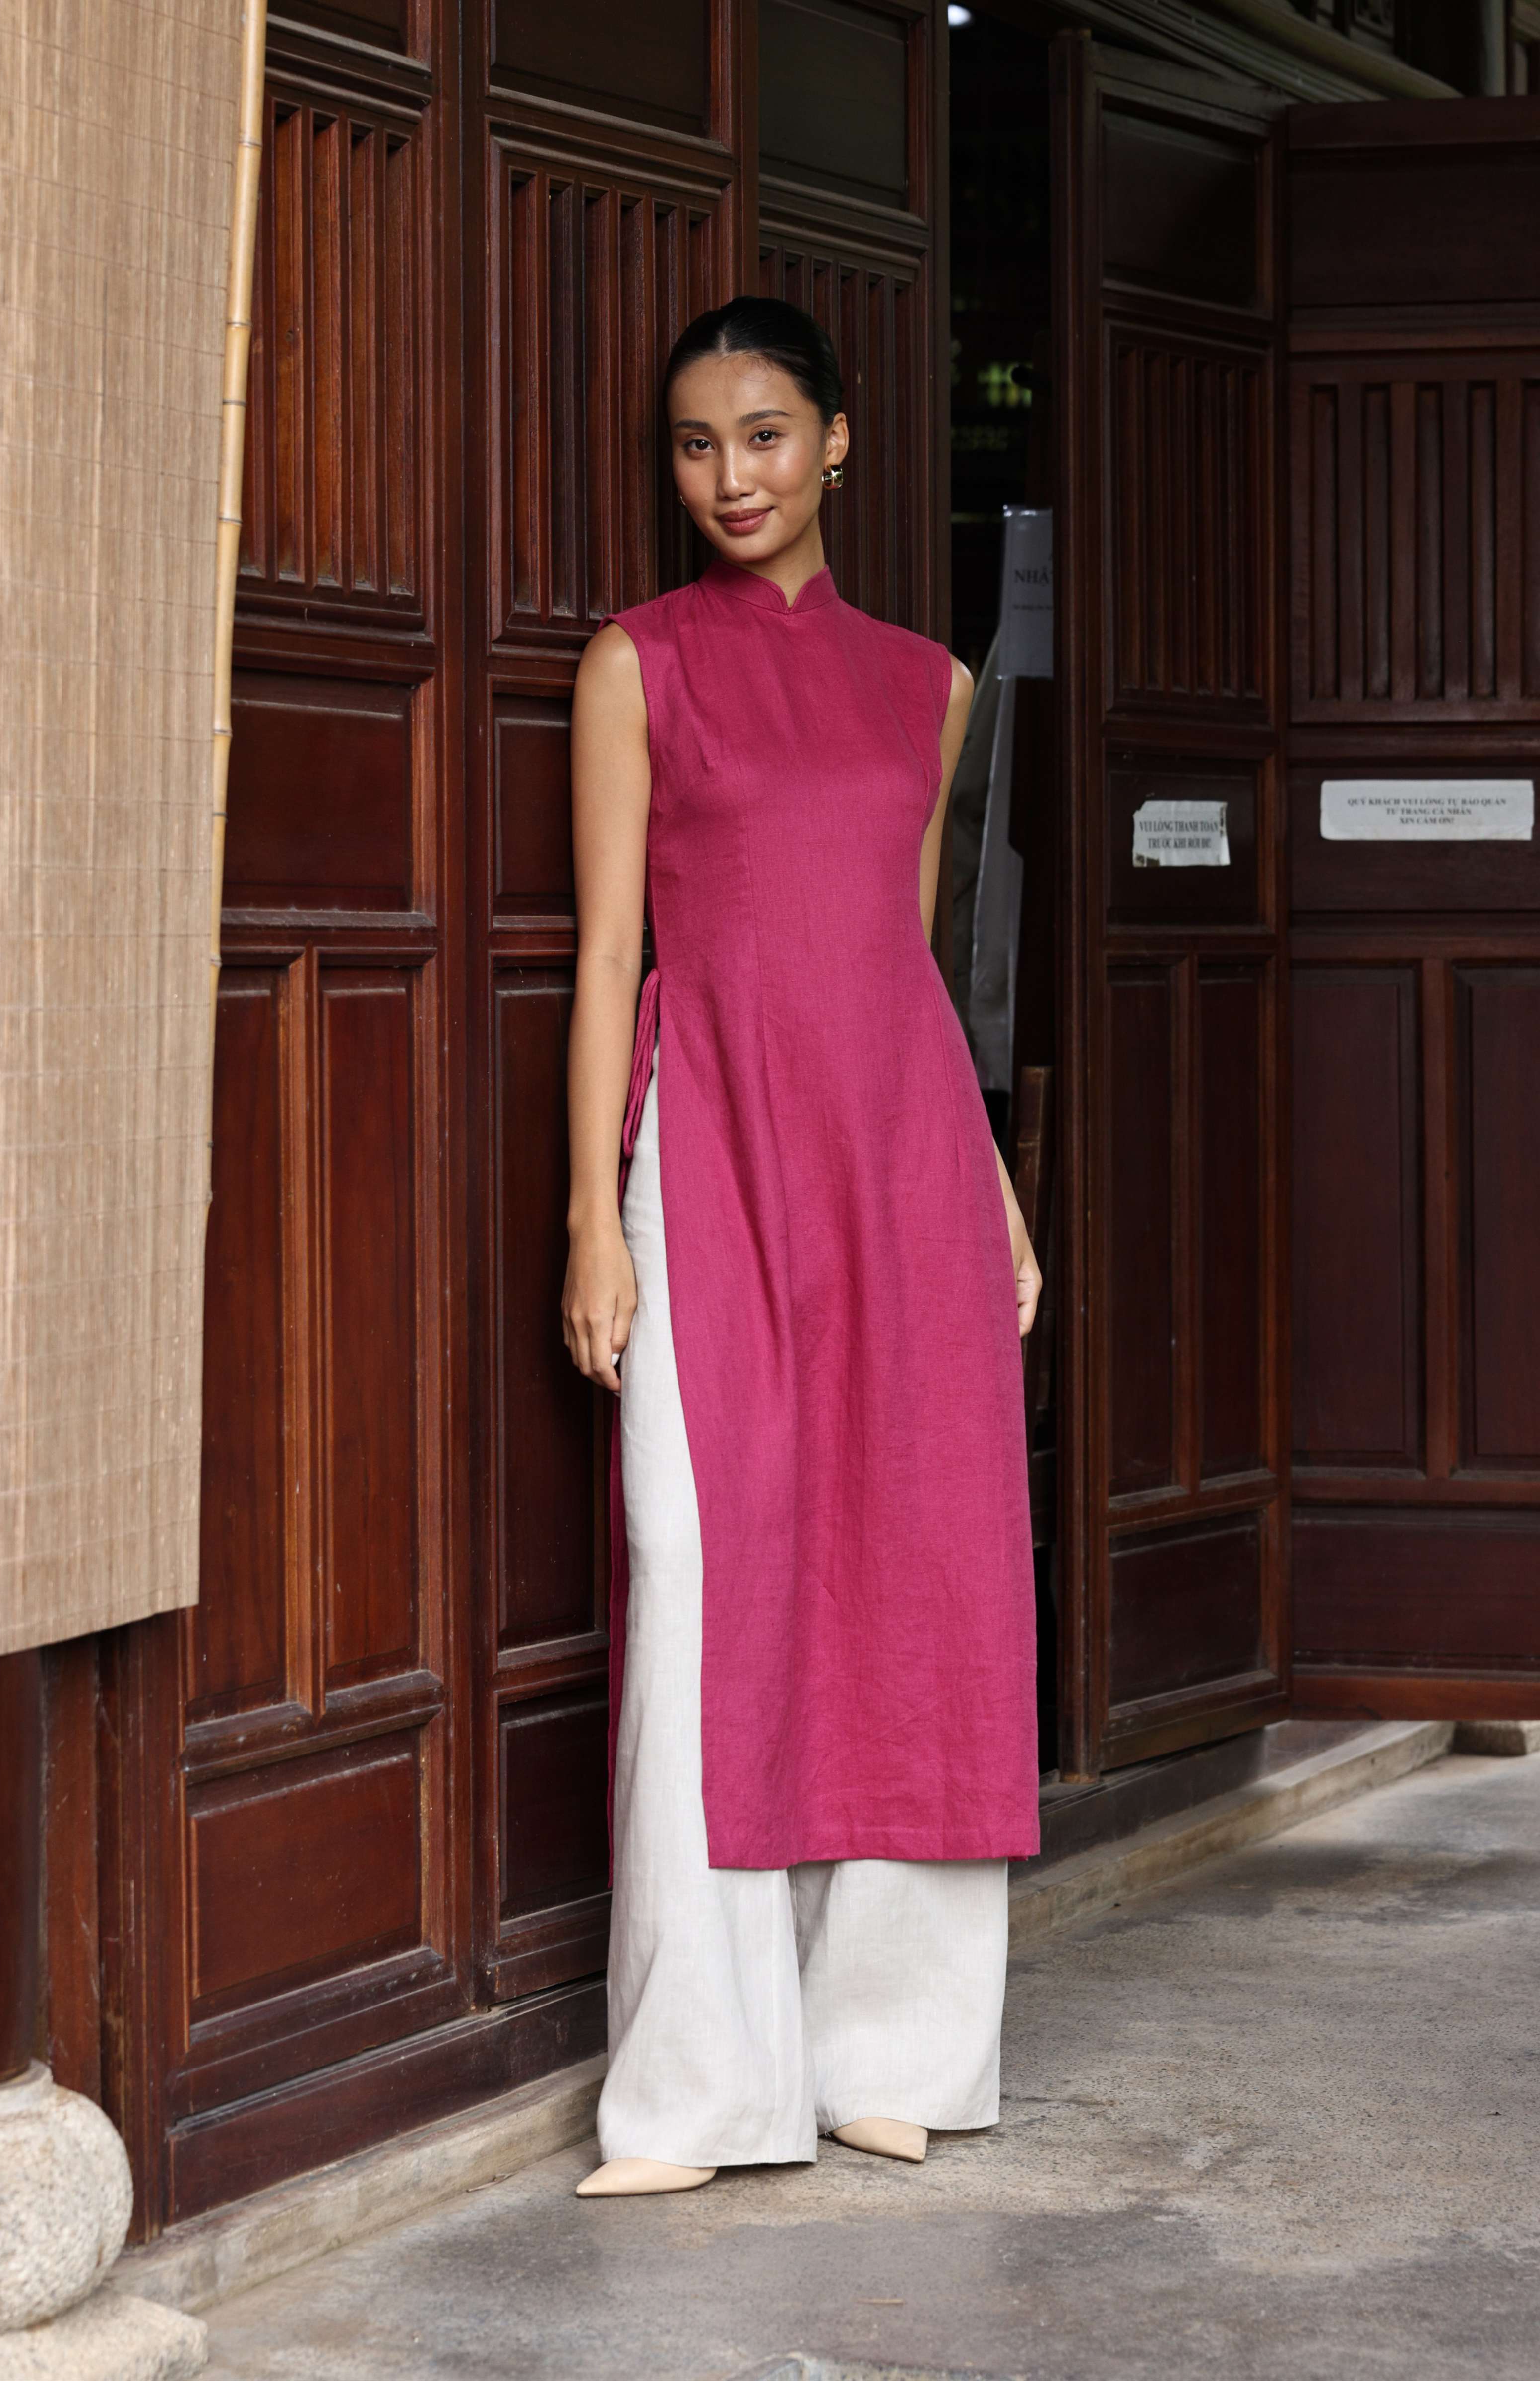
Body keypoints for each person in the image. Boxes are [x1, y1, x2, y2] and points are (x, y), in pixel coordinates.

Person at [561, 296, 1041, 2201]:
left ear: (838, 440)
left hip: (901, 1157)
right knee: (703, 1560)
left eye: (764, 436)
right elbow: (612, 955)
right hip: (719, 1143)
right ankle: (698, 2091)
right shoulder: (639, 665)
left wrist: (992, 1175)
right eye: (696, 445)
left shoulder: (931, 680)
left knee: (913, 1567)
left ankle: (892, 2052)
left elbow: (908, 961)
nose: (730, 479)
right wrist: (592, 1212)